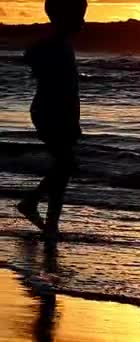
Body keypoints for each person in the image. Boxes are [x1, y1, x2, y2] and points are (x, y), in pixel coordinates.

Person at [17, 0, 87, 238]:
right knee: (65, 165)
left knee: (63, 166)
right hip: (52, 112)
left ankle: (49, 222)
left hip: (52, 111)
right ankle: (38, 211)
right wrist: (71, 120)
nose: (83, 21)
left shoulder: (59, 45)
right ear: (63, 18)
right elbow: (63, 89)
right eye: (79, 16)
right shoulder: (57, 47)